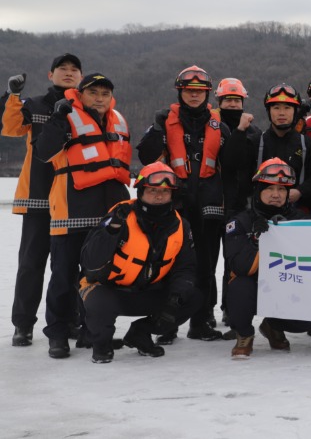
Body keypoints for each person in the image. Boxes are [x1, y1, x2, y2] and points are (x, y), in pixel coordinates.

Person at [33, 72, 132, 358]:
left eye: (104, 93)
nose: (99, 98)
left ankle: (92, 332)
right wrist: (56, 119)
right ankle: (58, 334)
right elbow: (43, 152)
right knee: (63, 277)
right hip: (69, 211)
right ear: (81, 95)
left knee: (98, 278)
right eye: (93, 93)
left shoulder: (118, 122)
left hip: (107, 215)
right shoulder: (65, 116)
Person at [137, 65, 229, 342]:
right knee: (167, 265)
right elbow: (146, 157)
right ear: (180, 92)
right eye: (189, 91)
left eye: (199, 91)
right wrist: (155, 129)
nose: (194, 96)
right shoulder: (165, 122)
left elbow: (233, 166)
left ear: (207, 95)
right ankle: (167, 324)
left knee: (205, 267)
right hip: (173, 206)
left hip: (208, 208)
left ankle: (200, 322)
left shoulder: (220, 126)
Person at [78, 163, 205, 363]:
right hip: (110, 290)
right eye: (153, 190)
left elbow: (185, 268)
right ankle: (101, 343)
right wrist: (110, 232)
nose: (159, 196)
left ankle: (140, 332)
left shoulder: (181, 225)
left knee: (193, 297)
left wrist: (175, 300)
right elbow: (89, 261)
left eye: (165, 191)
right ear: (141, 191)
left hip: (148, 292)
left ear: (173, 195)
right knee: (99, 303)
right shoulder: (120, 215)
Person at [2, 53, 82, 347]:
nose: (69, 73)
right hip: (38, 197)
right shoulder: (33, 104)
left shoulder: (84, 106)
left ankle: (70, 318)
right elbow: (10, 128)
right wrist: (13, 95)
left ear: (81, 77)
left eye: (75, 70)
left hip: (74, 198)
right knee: (31, 265)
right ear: (51, 75)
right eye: (63, 69)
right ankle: (23, 325)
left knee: (69, 265)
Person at [223, 159, 311, 359]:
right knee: (238, 286)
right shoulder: (239, 222)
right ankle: (245, 334)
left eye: (282, 189)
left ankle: (273, 325)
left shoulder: (302, 222)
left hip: (288, 283)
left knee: (309, 319)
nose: (276, 195)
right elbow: (241, 266)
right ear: (257, 190)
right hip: (252, 287)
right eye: (270, 189)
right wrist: (259, 240)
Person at [222, 82, 311, 211]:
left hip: (296, 216)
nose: (281, 113)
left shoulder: (307, 144)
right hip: (259, 215)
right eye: (276, 108)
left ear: (295, 112)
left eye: (287, 108)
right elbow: (231, 164)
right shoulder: (256, 142)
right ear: (269, 112)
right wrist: (240, 130)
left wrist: (300, 191)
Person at [210, 78, 259, 218]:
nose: (233, 104)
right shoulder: (210, 127)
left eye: (237, 101)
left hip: (245, 202)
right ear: (219, 102)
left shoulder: (254, 131)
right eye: (228, 100)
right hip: (217, 199)